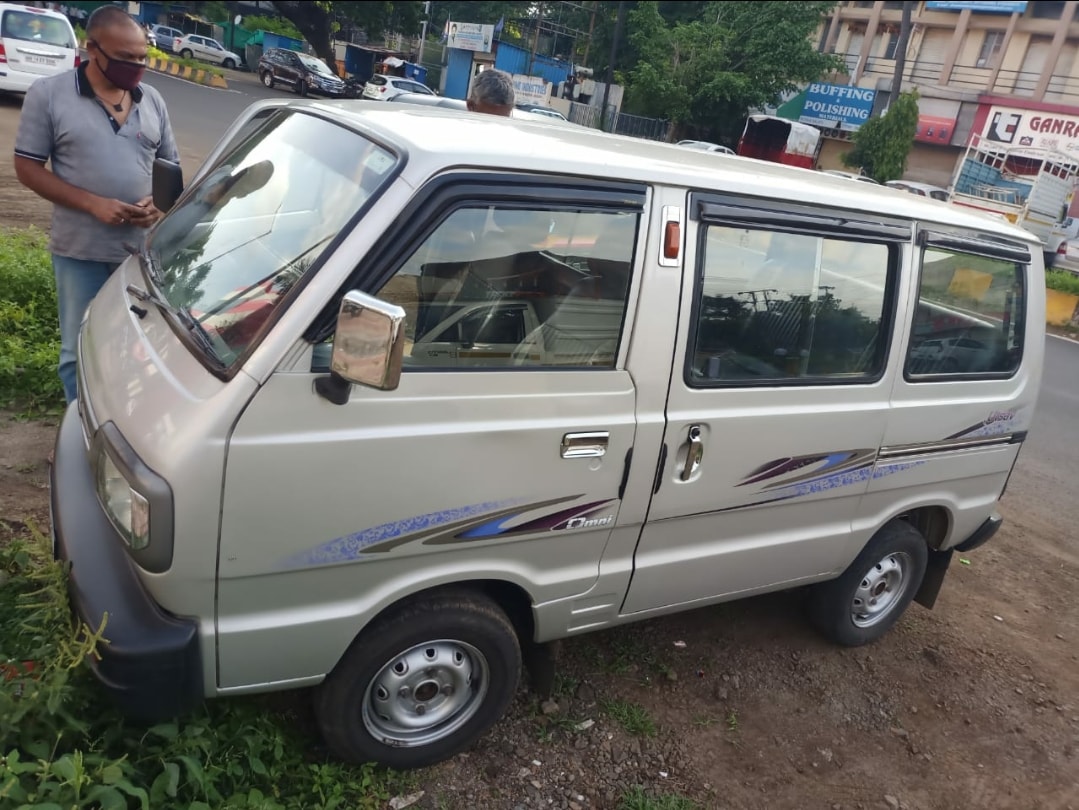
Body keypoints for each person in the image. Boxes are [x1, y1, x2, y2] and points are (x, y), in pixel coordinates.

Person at [14, 4, 179, 405]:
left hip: (140, 256)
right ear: (93, 48)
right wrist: (93, 204)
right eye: (125, 58)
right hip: (81, 252)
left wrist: (159, 206)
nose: (136, 66)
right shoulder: (50, 95)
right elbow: (27, 167)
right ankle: (80, 435)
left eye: (142, 57)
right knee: (79, 350)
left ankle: (121, 427)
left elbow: (170, 169)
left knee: (134, 349)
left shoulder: (152, 100)